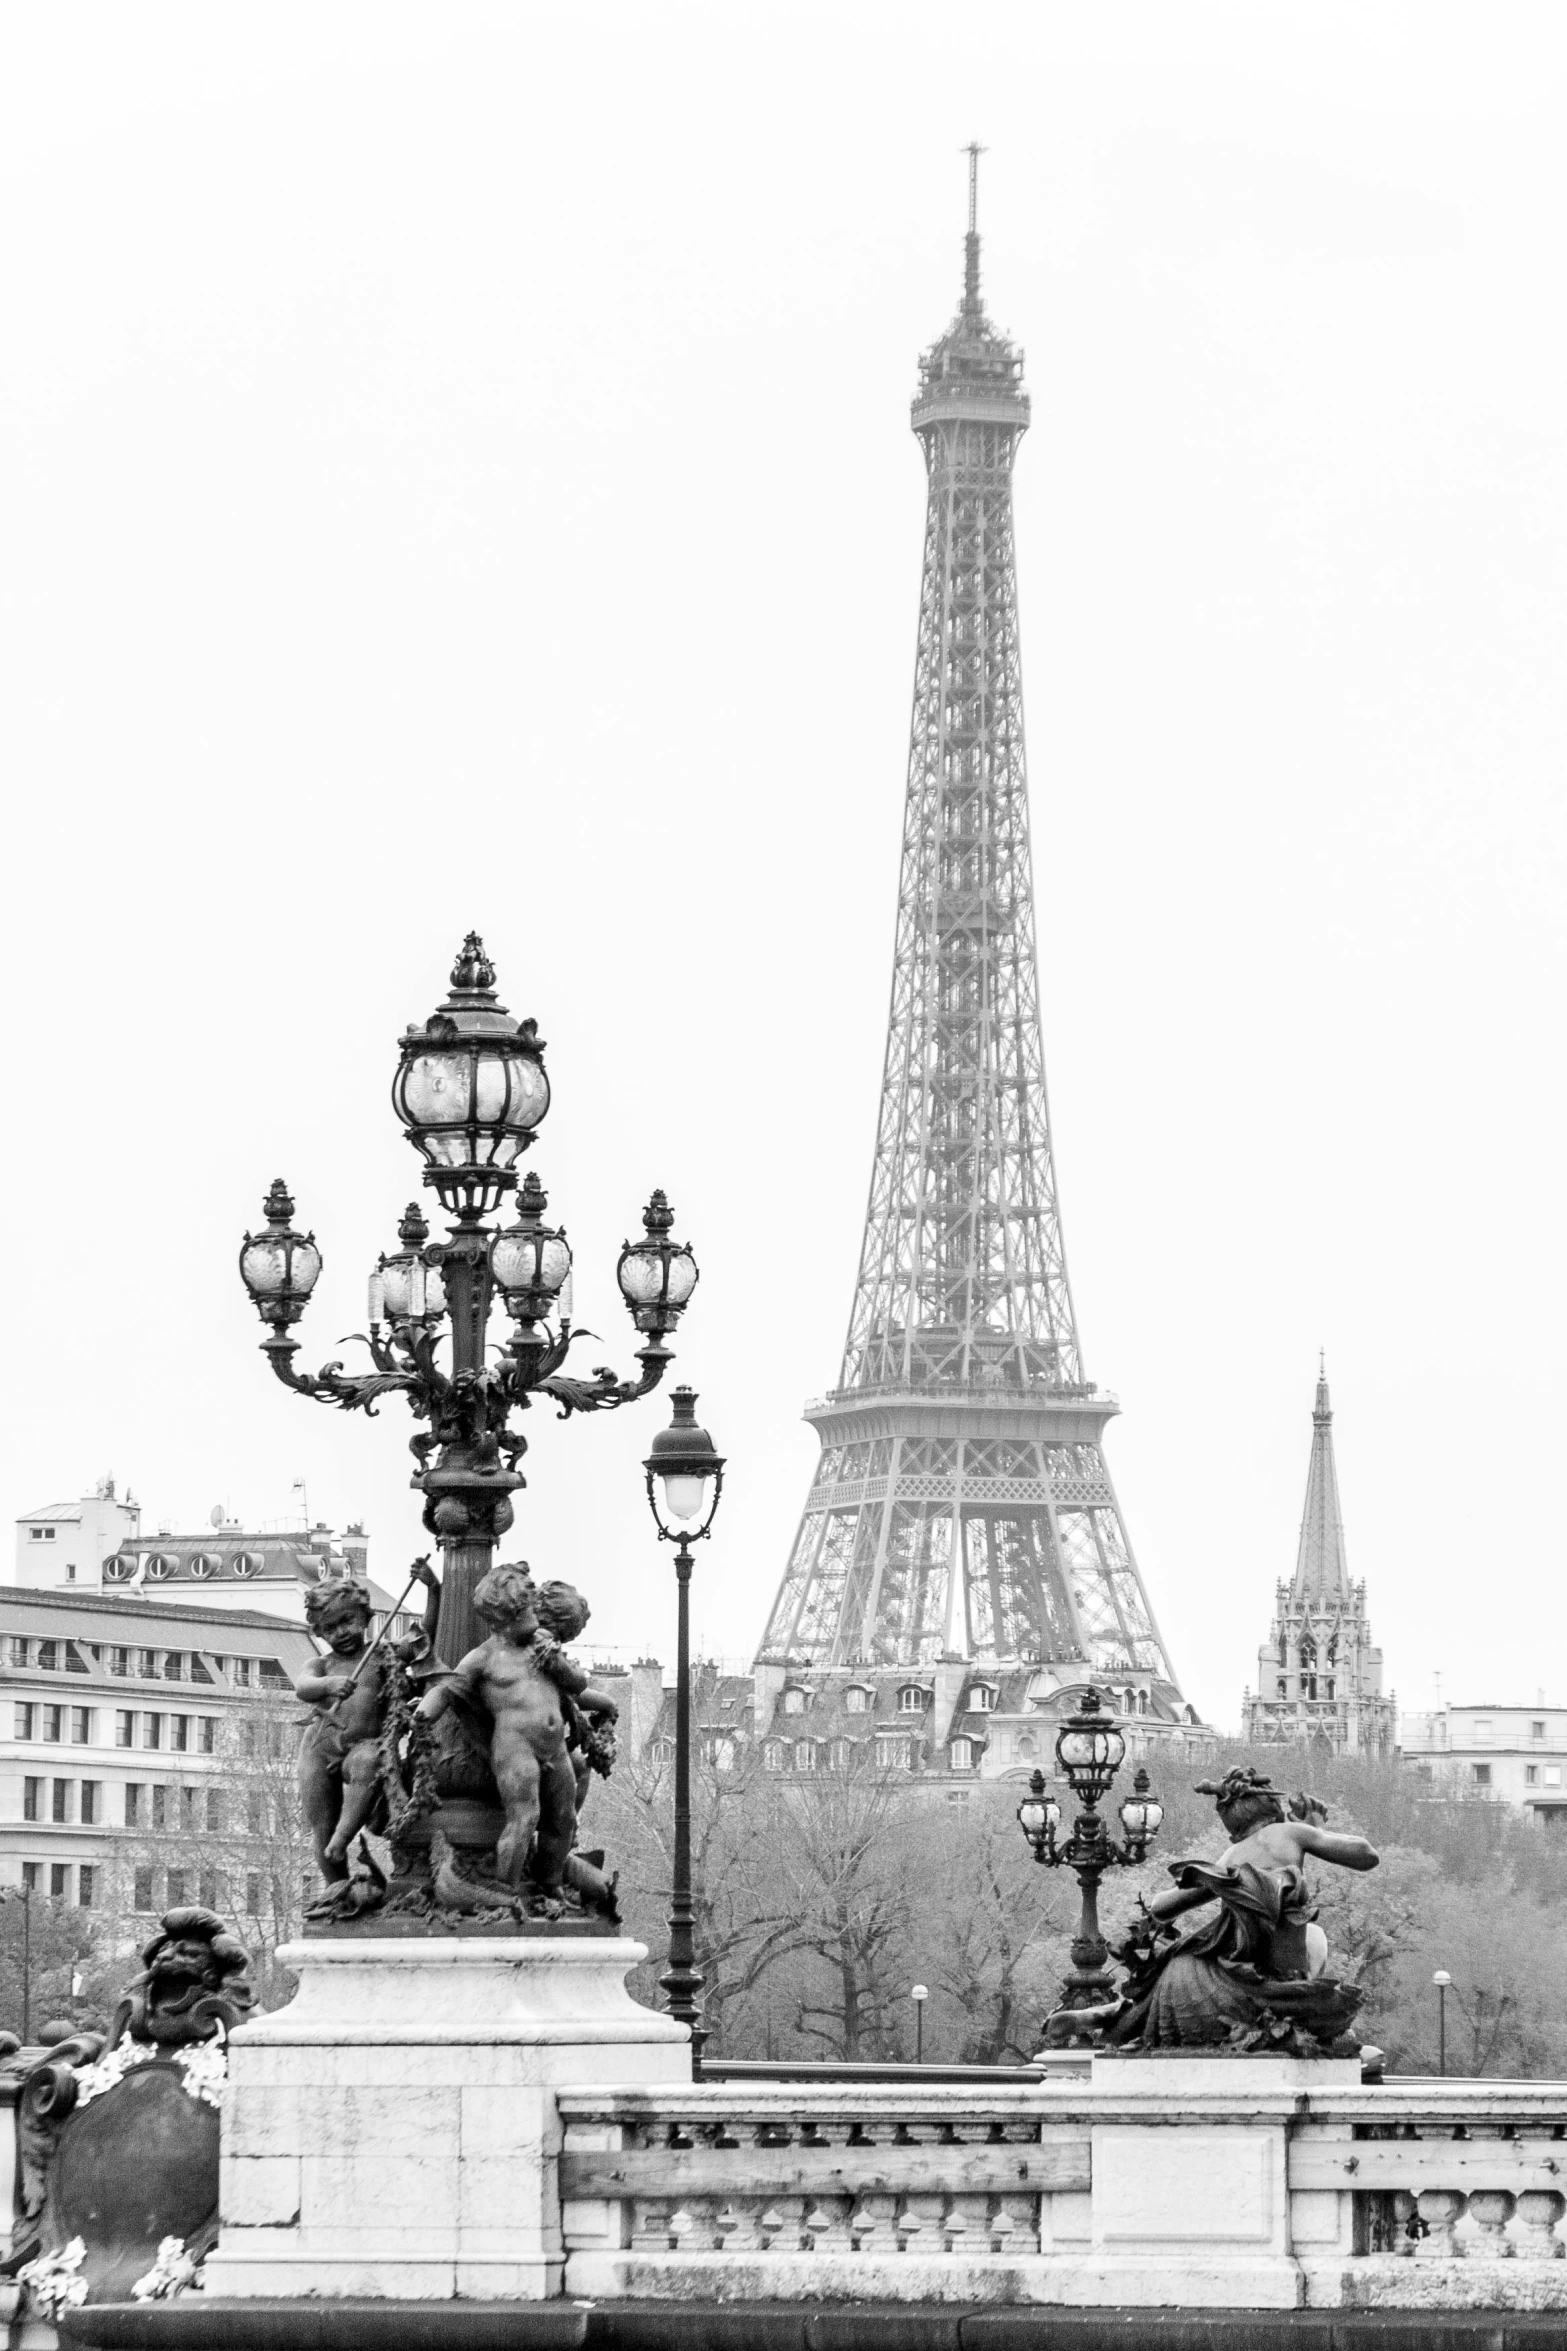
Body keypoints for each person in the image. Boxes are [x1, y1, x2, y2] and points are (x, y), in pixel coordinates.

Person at [1104, 1764, 1379, 2051]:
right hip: (1279, 1966)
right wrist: (1315, 1829)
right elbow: (1366, 1856)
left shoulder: (1230, 1857)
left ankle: (1101, 2016)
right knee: (1315, 1935)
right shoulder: (1290, 1832)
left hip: (1206, 1977)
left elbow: (1161, 1907)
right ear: (1272, 1806)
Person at [415, 1562, 601, 1911]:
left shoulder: (543, 1643)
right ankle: (506, 1889)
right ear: (501, 1620)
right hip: (516, 1751)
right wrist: (420, 1718)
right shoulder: (482, 1658)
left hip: (555, 1749)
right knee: (524, 1819)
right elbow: (446, 1690)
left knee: (562, 1819)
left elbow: (577, 1684)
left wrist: (560, 1666)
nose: (535, 1618)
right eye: (526, 1612)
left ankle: (548, 1883)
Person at [295, 1563, 439, 1885]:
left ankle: (342, 1840)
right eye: (330, 1628)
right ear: (319, 1632)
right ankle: (336, 1888)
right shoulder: (321, 1663)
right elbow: (303, 1687)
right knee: (321, 1824)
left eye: (347, 1621)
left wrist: (433, 1590)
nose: (341, 1632)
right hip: (318, 1748)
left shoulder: (382, 1654)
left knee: (368, 1763)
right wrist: (330, 1684)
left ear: (366, 1617)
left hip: (364, 1746)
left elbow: (423, 1637)